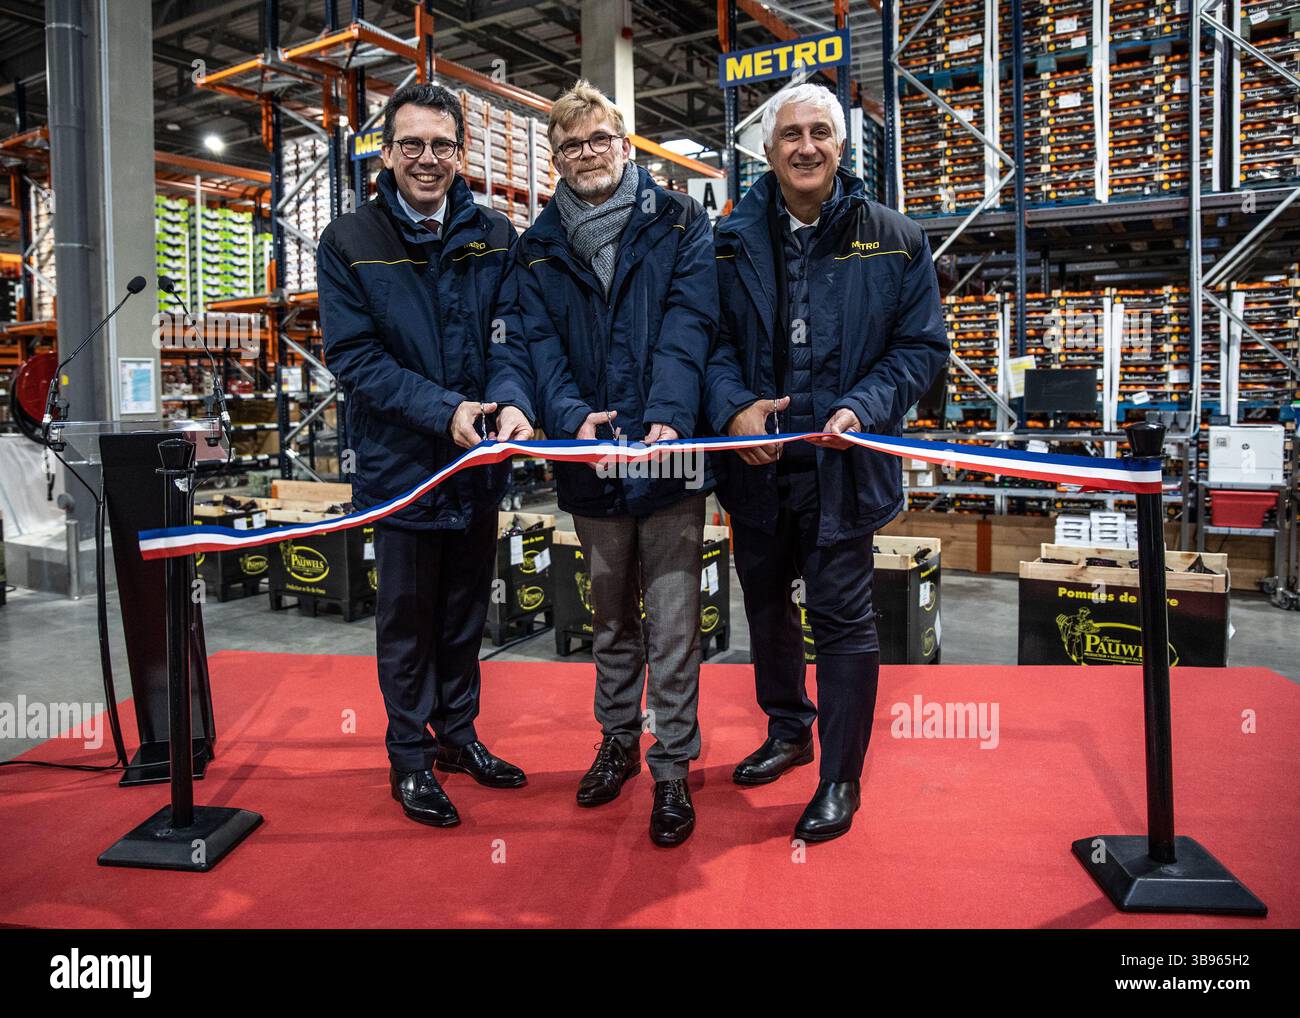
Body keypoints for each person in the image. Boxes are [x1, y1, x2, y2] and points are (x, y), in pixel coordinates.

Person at [706, 82, 949, 842]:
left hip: (844, 467)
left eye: (820, 132)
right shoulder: (727, 239)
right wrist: (734, 405)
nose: (805, 146)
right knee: (768, 604)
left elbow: (921, 350)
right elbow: (703, 344)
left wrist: (866, 406)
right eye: (790, 135)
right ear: (768, 150)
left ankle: (840, 776)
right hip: (756, 464)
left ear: (843, 147)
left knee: (843, 619)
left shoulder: (897, 239)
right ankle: (788, 730)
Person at [317, 83, 536, 829]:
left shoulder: (497, 233)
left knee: (465, 612)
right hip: (403, 465)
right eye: (412, 144)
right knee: (407, 618)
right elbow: (356, 358)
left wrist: (510, 399)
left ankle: (458, 736)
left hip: (479, 464)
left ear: (461, 153)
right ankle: (408, 757)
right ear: (387, 152)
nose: (428, 159)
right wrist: (446, 410)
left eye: (442, 145)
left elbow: (514, 334)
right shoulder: (351, 240)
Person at [510, 80, 717, 847]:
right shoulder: (535, 248)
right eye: (571, 145)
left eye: (600, 140)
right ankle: (618, 743)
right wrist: (570, 421)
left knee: (670, 622)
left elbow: (693, 319)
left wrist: (667, 413)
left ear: (624, 145)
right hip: (589, 464)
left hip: (670, 458)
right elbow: (538, 349)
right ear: (556, 160)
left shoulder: (680, 220)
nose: (587, 154)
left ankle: (673, 770)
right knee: (608, 620)